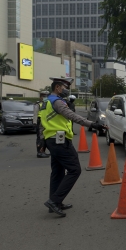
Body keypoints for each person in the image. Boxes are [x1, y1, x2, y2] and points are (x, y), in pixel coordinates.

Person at [40, 77, 106, 217]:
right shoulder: (57, 102)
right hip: (60, 141)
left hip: (52, 139)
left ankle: (56, 202)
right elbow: (72, 116)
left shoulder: (46, 101)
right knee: (74, 170)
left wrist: (43, 141)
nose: (66, 90)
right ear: (57, 88)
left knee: (57, 172)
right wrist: (92, 124)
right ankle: (54, 200)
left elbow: (42, 122)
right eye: (65, 87)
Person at [34, 91, 50, 158]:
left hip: (46, 122)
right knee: (40, 137)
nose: (45, 98)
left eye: (46, 96)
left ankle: (43, 151)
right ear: (40, 97)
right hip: (40, 122)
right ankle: (39, 152)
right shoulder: (38, 104)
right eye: (43, 96)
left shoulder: (48, 104)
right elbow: (35, 114)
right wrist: (34, 123)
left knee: (45, 137)